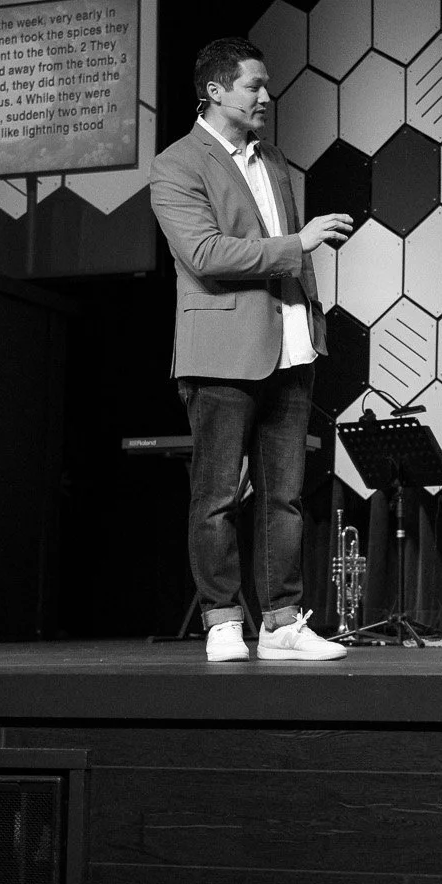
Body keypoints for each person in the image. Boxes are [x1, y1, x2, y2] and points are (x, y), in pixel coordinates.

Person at [149, 37, 355, 662]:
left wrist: (312, 322)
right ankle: (220, 621)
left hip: (290, 347)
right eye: (253, 87)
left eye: (266, 86)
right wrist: (300, 243)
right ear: (214, 92)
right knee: (216, 498)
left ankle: (282, 622)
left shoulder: (274, 162)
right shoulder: (177, 164)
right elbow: (205, 255)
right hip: (222, 353)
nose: (267, 96)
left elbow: (286, 256)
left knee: (284, 498)